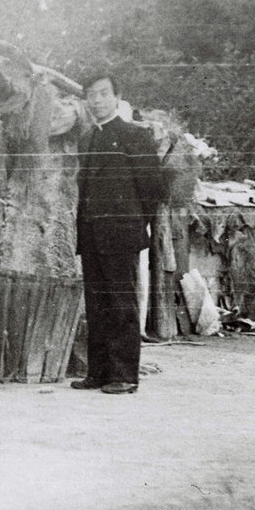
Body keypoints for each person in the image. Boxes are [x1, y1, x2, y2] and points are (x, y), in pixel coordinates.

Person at [74, 74, 165, 395]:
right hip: (91, 236)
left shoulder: (135, 136)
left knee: (121, 305)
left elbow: (152, 189)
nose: (96, 101)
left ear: (117, 97)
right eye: (91, 95)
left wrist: (134, 225)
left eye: (103, 94)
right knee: (96, 304)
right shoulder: (87, 139)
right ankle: (98, 373)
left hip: (121, 235)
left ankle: (125, 375)